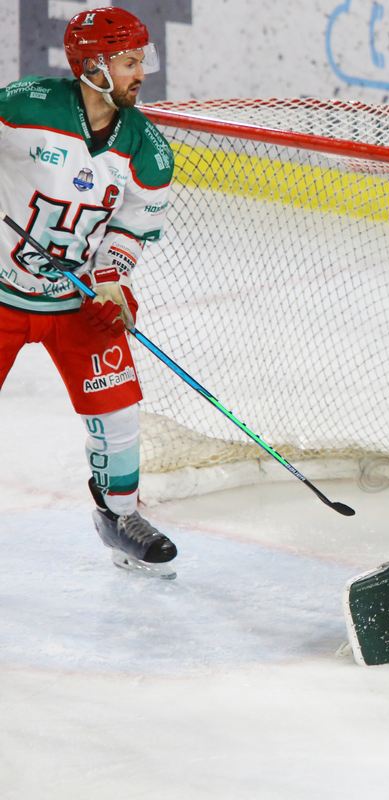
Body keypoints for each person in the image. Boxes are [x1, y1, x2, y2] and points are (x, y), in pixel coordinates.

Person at [0, 7, 176, 576]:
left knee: (118, 410)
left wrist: (112, 279)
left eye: (141, 60)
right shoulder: (26, 105)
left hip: (77, 302)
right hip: (2, 294)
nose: (140, 72)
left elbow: (131, 227)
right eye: (128, 62)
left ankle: (118, 516)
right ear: (93, 67)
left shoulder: (147, 148)